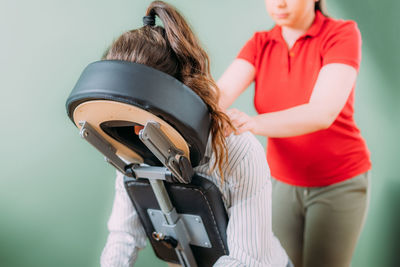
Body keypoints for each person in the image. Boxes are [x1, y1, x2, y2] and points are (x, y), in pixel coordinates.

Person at [100, 1, 290, 266]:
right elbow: (122, 235)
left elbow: (244, 260)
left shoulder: (238, 151)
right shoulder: (132, 146)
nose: (136, 130)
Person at [217, 0, 371, 266]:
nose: (280, 3)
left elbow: (322, 112)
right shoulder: (260, 43)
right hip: (280, 183)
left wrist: (252, 123)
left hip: (338, 183)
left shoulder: (342, 34)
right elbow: (218, 95)